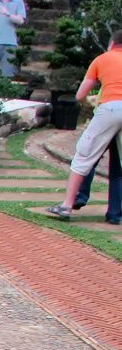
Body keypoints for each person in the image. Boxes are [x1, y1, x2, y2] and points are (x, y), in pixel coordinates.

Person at [47, 29, 122, 220]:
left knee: (83, 157)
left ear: (112, 44)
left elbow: (80, 95)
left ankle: (67, 205)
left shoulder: (102, 59)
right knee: (118, 168)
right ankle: (115, 215)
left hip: (110, 110)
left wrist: (87, 103)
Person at [73, 135, 122, 225]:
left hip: (106, 123)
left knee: (89, 161)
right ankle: (114, 214)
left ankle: (81, 196)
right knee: (118, 174)